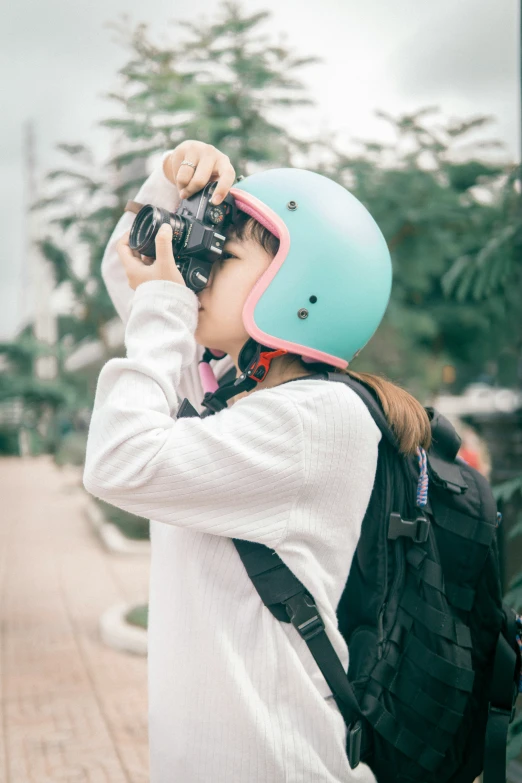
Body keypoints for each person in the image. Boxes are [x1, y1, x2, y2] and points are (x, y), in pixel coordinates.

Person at [83, 140, 432, 783]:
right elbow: (129, 274)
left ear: (301, 288)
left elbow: (118, 461)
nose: (200, 272)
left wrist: (166, 308)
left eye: (224, 256)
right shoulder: (229, 394)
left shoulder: (314, 422)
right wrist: (172, 177)